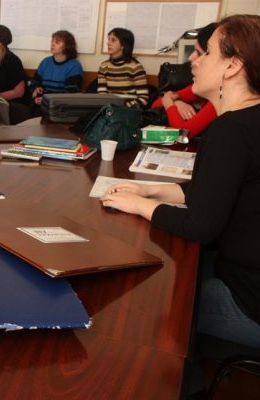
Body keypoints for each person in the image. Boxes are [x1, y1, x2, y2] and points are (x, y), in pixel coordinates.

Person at [100, 15, 260, 348]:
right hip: (242, 272)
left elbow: (198, 226)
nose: (193, 60)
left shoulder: (231, 131)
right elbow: (217, 191)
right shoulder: (248, 121)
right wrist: (150, 189)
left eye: (207, 52)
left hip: (248, 301)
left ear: (232, 66)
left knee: (140, 304)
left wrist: (140, 205)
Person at [151, 23, 218, 139]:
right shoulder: (202, 87)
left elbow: (183, 134)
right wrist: (177, 103)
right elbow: (156, 104)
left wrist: (169, 102)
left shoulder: (220, 99)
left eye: (199, 53)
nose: (191, 58)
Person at [29, 30, 83, 107]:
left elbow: (70, 94)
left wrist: (47, 101)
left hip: (61, 108)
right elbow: (34, 82)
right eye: (52, 41)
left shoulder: (74, 66)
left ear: (67, 46)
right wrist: (36, 90)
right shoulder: (45, 62)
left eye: (57, 42)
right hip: (42, 105)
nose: (52, 44)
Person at [97, 28, 149, 108]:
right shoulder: (104, 66)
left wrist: (122, 107)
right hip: (109, 109)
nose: (108, 43)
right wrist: (110, 108)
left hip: (128, 111)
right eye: (108, 40)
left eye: (113, 40)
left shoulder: (135, 67)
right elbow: (102, 95)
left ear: (123, 45)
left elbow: (144, 99)